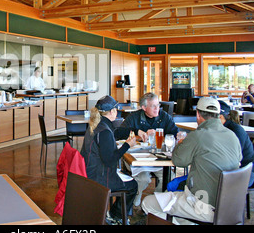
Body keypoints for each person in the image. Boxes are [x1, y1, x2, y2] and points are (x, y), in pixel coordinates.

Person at [142, 97, 243, 224]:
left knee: (148, 203)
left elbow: (178, 161)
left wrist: (180, 143)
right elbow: (238, 162)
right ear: (218, 115)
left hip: (203, 206)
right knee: (175, 206)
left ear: (198, 114)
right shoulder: (232, 136)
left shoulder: (198, 135)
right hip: (231, 207)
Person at [80, 95, 138, 224]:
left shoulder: (98, 125)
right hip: (99, 177)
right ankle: (115, 215)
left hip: (91, 171)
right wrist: (128, 145)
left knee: (127, 178)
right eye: (116, 109)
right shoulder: (104, 131)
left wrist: (136, 130)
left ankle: (115, 214)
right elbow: (110, 161)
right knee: (133, 185)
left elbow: (115, 133)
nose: (117, 111)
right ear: (112, 112)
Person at [114, 92, 179, 205]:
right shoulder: (134, 117)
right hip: (137, 159)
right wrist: (139, 136)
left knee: (170, 178)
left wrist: (160, 136)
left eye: (158, 105)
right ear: (144, 107)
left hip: (158, 159)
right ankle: (135, 201)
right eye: (153, 106)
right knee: (143, 179)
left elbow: (174, 134)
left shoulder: (164, 117)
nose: (157, 108)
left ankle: (155, 201)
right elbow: (119, 133)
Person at [218, 100, 254, 186]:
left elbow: (233, 159)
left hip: (245, 172)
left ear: (220, 117)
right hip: (230, 170)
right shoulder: (220, 129)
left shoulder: (235, 131)